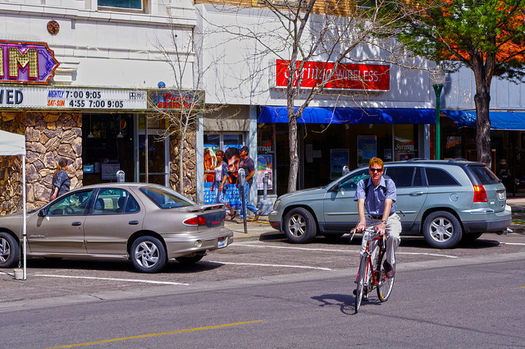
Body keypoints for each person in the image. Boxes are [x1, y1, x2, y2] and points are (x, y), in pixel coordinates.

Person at [354, 157, 401, 279]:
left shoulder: (389, 183)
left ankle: (389, 262)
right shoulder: (362, 184)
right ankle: (363, 284)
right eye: (373, 169)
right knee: (366, 251)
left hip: (389, 217)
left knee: (394, 236)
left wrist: (383, 223)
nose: (375, 172)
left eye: (378, 170)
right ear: (369, 170)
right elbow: (360, 202)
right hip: (371, 219)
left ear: (382, 171)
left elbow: (388, 203)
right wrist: (362, 221)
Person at [238, 145, 261, 221]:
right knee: (242, 199)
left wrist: (245, 180)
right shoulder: (241, 160)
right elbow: (239, 171)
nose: (240, 152)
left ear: (246, 152)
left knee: (243, 199)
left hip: (246, 182)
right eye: (240, 151)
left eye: (242, 151)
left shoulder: (249, 161)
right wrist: (237, 181)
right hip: (240, 181)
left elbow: (252, 172)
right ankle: (256, 211)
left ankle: (243, 217)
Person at [210, 149, 235, 219]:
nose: (217, 157)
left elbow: (225, 175)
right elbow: (215, 175)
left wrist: (222, 184)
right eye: (217, 155)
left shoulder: (224, 164)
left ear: (222, 156)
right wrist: (212, 185)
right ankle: (220, 216)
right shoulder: (217, 164)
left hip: (222, 183)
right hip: (217, 183)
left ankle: (231, 210)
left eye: (219, 155)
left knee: (221, 199)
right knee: (217, 201)